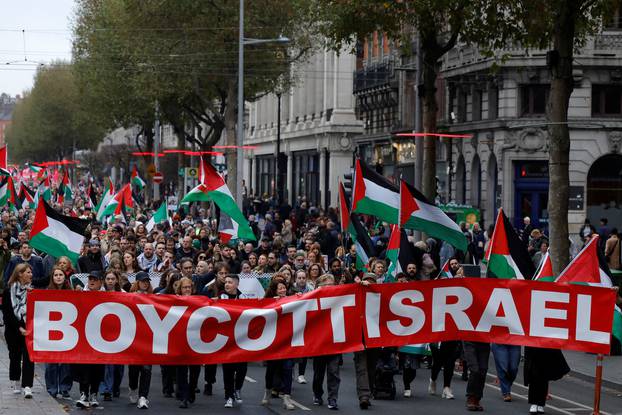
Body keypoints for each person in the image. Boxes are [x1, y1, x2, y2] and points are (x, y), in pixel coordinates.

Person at [262, 277, 296, 410]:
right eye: (280, 288)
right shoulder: (268, 302)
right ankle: (267, 392)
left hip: (287, 341)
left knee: (288, 368)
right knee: (271, 369)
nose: (283, 290)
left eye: (284, 287)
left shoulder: (292, 300)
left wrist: (300, 297)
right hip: (273, 342)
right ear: (274, 290)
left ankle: (287, 397)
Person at [3, 263, 34, 398]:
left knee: (29, 357)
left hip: (29, 329)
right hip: (13, 329)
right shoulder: (8, 290)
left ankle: (27, 386)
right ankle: (16, 381)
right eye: (28, 272)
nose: (30, 275)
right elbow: (7, 313)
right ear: (20, 274)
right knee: (14, 356)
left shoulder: (32, 291)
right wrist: (19, 327)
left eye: (30, 272)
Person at [75, 272, 106, 408]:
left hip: (101, 338)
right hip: (84, 336)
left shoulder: (108, 295)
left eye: (95, 279)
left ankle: (94, 393)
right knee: (84, 366)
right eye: (90, 279)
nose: (92, 281)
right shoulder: (81, 293)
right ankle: (84, 393)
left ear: (100, 282)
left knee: (98, 367)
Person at [312, 274, 341, 410]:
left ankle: (333, 398)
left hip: (335, 341)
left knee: (334, 372)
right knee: (319, 372)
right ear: (320, 287)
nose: (331, 288)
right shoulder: (312, 299)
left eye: (332, 284)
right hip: (319, 342)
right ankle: (317, 394)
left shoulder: (339, 299)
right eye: (328, 285)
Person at [218, 274, 248, 408]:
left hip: (241, 338)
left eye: (230, 282)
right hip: (226, 339)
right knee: (228, 369)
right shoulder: (220, 297)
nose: (227, 284)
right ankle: (228, 396)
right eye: (226, 282)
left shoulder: (244, 298)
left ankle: (238, 388)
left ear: (236, 285)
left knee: (242, 368)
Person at [45, 266, 73, 399]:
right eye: (55, 275)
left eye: (60, 275)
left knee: (66, 362)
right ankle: (51, 388)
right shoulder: (46, 292)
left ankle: (64, 388)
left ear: (64, 277)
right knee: (51, 362)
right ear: (52, 277)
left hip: (67, 331)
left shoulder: (71, 292)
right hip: (51, 331)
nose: (58, 277)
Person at [128, 271, 153, 409]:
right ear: (137, 282)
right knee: (133, 368)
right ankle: (133, 388)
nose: (145, 283)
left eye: (147, 281)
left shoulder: (154, 297)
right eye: (143, 281)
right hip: (134, 337)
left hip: (148, 339)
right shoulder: (130, 297)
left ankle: (143, 397)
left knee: (146, 369)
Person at [175, 277, 201, 409]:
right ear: (180, 289)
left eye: (189, 287)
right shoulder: (174, 301)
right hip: (181, 341)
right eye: (185, 287)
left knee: (195, 369)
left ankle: (191, 389)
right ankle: (184, 396)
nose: (187, 290)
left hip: (195, 340)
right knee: (182, 370)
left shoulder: (198, 301)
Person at [99, 270, 125, 401]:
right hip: (105, 333)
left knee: (119, 365)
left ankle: (115, 387)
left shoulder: (124, 295)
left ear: (116, 280)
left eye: (112, 279)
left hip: (120, 333)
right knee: (107, 363)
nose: (110, 281)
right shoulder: (100, 294)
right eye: (108, 278)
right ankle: (106, 389)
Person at [524, 347, 570, 414]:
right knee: (534, 374)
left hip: (546, 346)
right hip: (534, 345)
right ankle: (533, 403)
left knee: (544, 376)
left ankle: (540, 403)